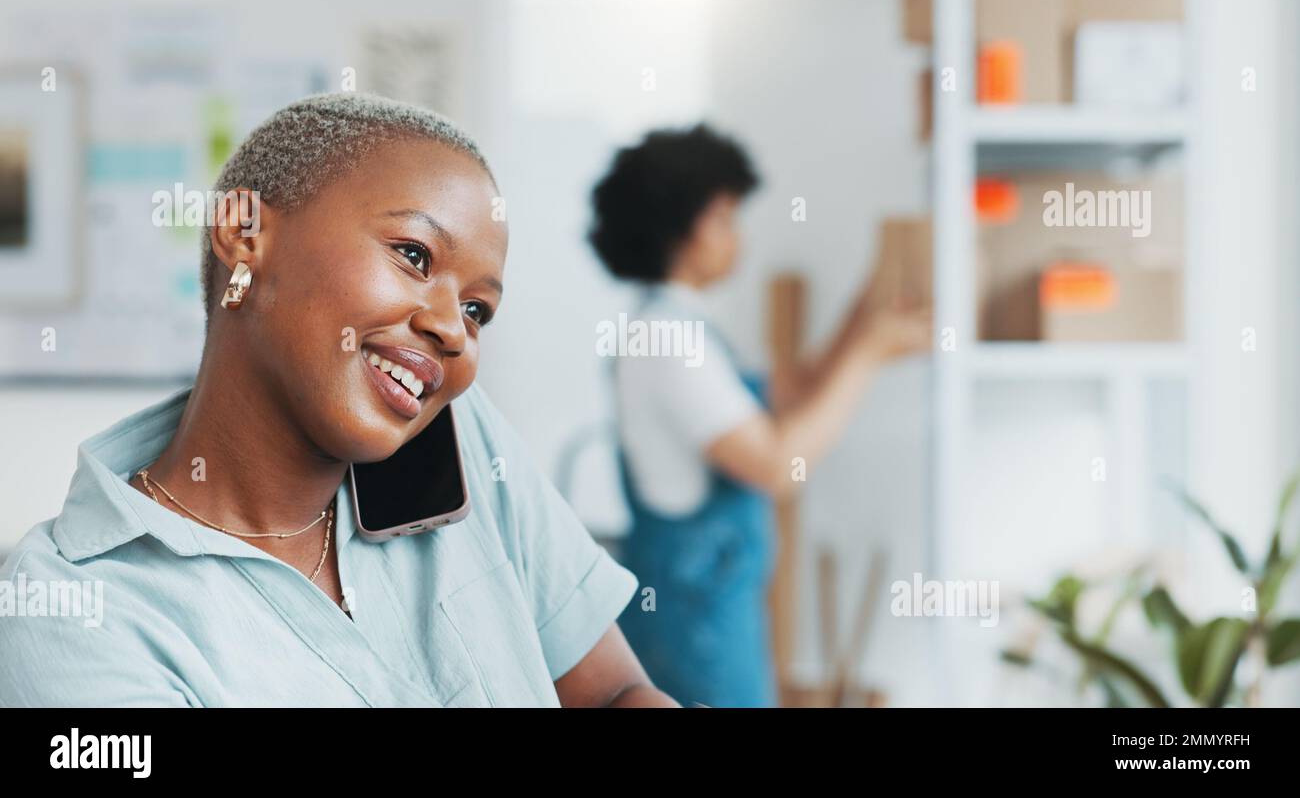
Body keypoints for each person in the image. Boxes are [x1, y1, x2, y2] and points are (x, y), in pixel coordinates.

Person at [0, 93, 677, 707]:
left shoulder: (465, 446)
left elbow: (613, 690)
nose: (451, 327)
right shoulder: (69, 611)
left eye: (477, 309)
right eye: (414, 254)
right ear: (244, 236)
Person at [588, 124, 931, 707]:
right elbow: (777, 464)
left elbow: (792, 390)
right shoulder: (665, 340)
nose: (736, 238)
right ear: (680, 230)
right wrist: (871, 353)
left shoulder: (681, 328)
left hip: (716, 617)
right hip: (693, 631)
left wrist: (865, 312)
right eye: (724, 221)